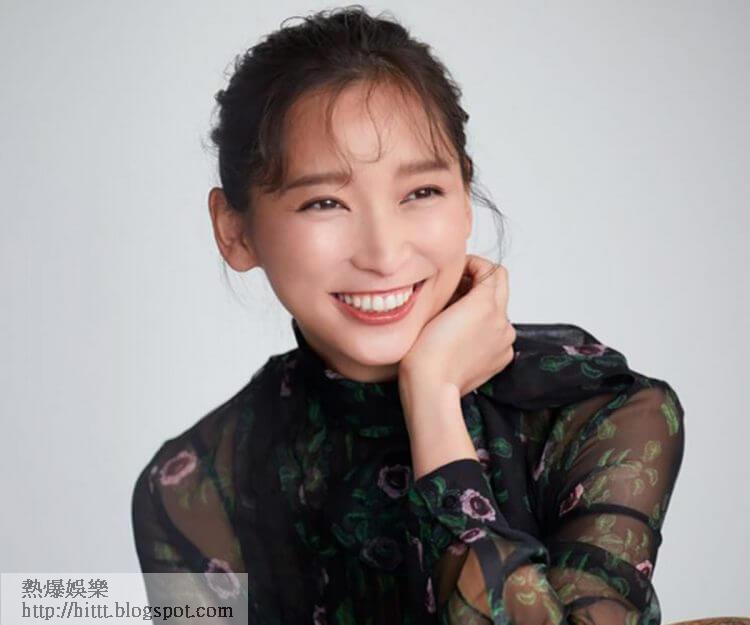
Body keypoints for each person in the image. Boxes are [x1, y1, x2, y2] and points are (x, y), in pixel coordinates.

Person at [131, 6, 685, 624]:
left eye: (421, 192)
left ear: (465, 201)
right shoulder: (194, 487)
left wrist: (434, 402)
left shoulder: (599, 413)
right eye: (324, 202)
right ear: (235, 231)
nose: (384, 253)